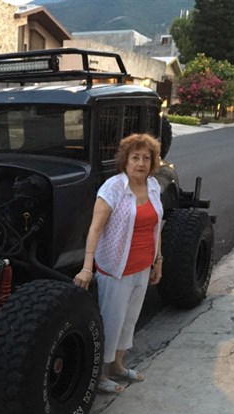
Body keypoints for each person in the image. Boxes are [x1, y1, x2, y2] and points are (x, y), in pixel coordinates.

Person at [74, 133, 164, 394]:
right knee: (112, 321)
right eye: (135, 157)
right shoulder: (113, 188)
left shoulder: (154, 186)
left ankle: (118, 366)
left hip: (142, 265)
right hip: (116, 267)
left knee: (129, 320)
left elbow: (157, 226)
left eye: (146, 158)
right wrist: (87, 267)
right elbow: (95, 229)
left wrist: (158, 259)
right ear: (125, 161)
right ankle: (100, 375)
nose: (141, 163)